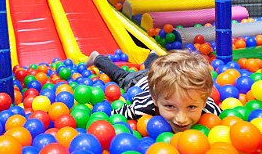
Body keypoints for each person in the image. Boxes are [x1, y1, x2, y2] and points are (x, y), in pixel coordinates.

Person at [86, 50, 221, 133]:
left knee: (151, 68)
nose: (181, 119)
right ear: (155, 99)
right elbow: (114, 113)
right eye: (169, 106)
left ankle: (152, 55)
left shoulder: (211, 111)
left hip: (156, 79)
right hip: (138, 80)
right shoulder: (142, 107)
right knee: (119, 75)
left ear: (203, 102)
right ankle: (98, 58)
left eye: (191, 107)